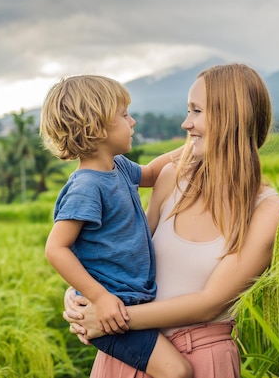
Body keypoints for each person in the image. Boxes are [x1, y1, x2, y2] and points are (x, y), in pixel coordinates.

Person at [63, 63, 279, 378]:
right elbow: (124, 255)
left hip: (202, 359)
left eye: (196, 111)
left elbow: (210, 303)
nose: (186, 123)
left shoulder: (267, 211)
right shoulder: (171, 179)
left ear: (230, 118)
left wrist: (109, 318)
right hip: (130, 354)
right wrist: (81, 297)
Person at [40, 75, 192, 378]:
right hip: (111, 312)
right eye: (124, 115)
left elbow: (149, 174)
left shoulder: (119, 167)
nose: (132, 122)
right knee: (177, 372)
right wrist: (100, 297)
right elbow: (56, 249)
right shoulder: (86, 186)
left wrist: (193, 146)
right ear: (96, 126)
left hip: (131, 300)